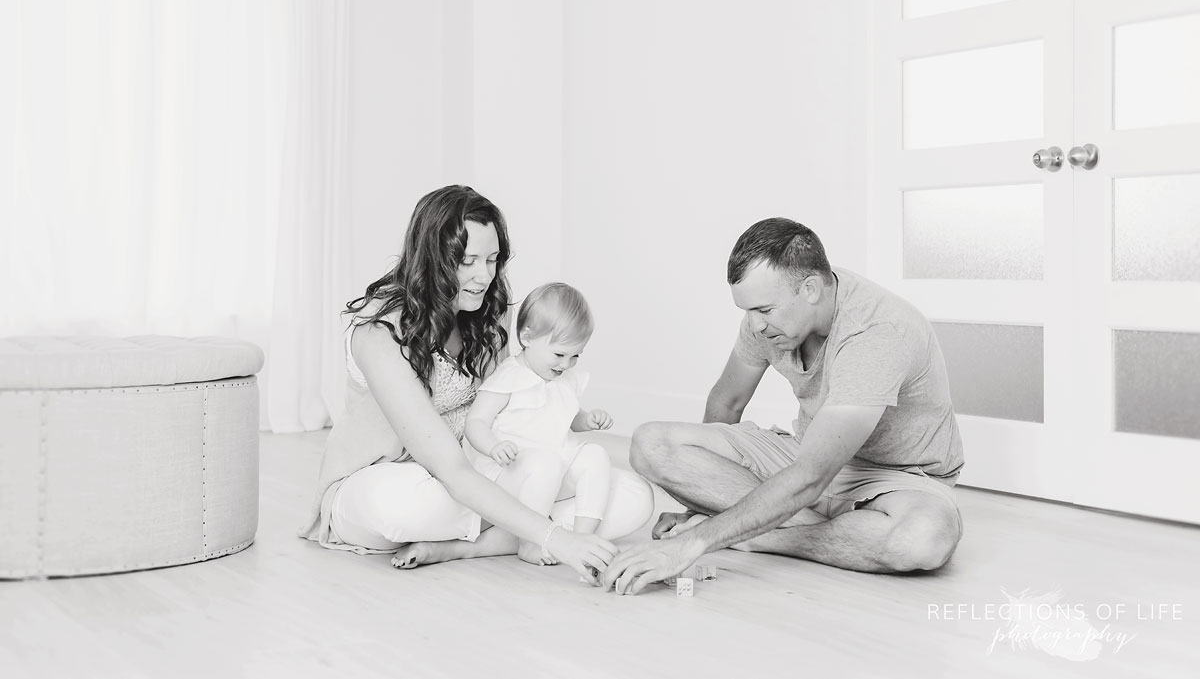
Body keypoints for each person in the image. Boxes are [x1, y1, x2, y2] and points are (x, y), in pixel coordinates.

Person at [299, 185, 654, 582]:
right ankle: (521, 527)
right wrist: (559, 538)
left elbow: (509, 414)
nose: (483, 276)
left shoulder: (487, 313)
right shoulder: (379, 333)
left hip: (475, 471)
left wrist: (545, 462)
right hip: (396, 478)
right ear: (433, 259)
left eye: (492, 259)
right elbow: (448, 469)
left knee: (634, 498)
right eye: (467, 261)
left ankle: (475, 542)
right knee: (399, 508)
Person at [601, 217, 965, 595]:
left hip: (895, 477)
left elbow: (811, 477)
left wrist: (695, 541)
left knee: (923, 539)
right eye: (747, 311)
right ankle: (792, 528)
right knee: (651, 443)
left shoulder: (878, 333)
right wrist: (698, 505)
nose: (755, 325)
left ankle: (762, 537)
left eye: (763, 310)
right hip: (805, 453)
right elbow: (728, 401)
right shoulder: (770, 318)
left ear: (810, 289)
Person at [460, 282, 614, 565]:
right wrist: (493, 446)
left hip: (552, 467)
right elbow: (476, 422)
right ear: (528, 337)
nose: (567, 364)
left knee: (595, 454)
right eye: (559, 354)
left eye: (575, 355)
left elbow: (569, 417)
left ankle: (581, 539)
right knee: (546, 464)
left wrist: (587, 419)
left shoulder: (562, 379)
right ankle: (532, 541)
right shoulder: (509, 378)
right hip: (512, 473)